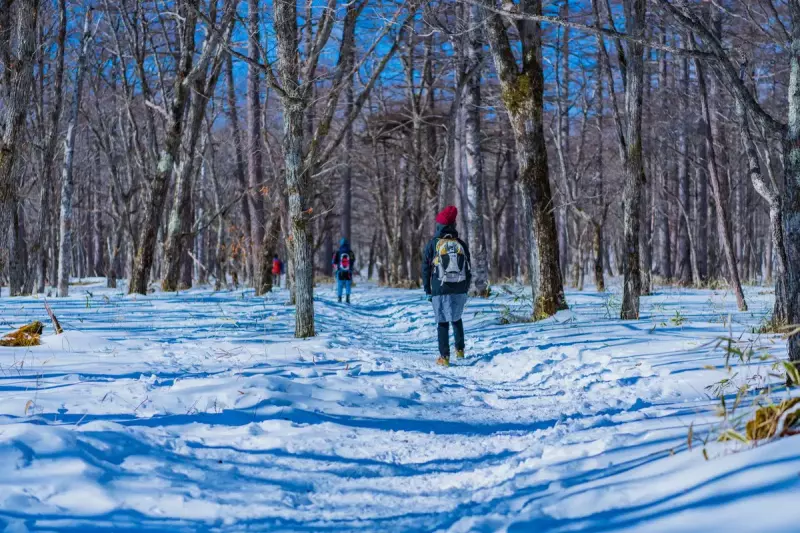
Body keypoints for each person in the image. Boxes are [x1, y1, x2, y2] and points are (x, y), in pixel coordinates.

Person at [422, 205, 471, 367]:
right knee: (456, 318)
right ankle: (460, 351)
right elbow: (469, 267)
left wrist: (428, 290)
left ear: (439, 225)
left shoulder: (433, 244)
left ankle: (444, 357)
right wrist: (466, 287)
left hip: (440, 288)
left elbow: (425, 269)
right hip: (460, 287)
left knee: (442, 321)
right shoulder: (461, 244)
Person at [332, 238, 355, 304]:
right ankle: (347, 298)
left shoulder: (338, 252)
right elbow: (353, 260)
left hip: (340, 271)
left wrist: (336, 268)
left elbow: (333, 261)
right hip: (348, 272)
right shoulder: (350, 252)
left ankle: (339, 299)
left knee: (340, 285)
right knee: (348, 285)